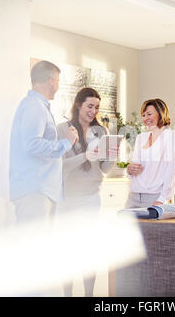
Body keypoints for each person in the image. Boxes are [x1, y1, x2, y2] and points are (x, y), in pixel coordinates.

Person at [56, 87, 118, 297]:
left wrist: (112, 154)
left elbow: (104, 169)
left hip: (92, 198)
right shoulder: (62, 129)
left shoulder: (102, 132)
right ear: (78, 105)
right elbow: (60, 166)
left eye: (97, 107)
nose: (93, 111)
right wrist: (85, 155)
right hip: (68, 200)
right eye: (90, 106)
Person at [9, 60, 79, 226]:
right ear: (51, 81)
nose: (58, 86)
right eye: (58, 81)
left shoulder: (36, 106)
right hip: (35, 191)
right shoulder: (35, 107)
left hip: (40, 190)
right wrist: (66, 142)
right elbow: (33, 144)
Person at [125, 98, 175, 208]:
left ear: (160, 114)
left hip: (154, 197)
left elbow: (172, 170)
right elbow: (135, 169)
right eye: (143, 115)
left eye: (149, 114)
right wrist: (130, 170)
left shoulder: (170, 137)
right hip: (133, 196)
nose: (145, 118)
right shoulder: (141, 137)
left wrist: (162, 198)